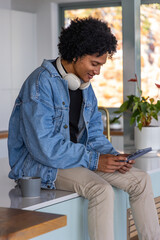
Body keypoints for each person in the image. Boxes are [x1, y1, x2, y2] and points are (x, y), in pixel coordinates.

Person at [8, 17, 160, 240]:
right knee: (101, 190)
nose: (97, 72)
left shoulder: (85, 87)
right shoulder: (40, 83)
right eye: (94, 64)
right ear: (75, 54)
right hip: (40, 165)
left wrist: (112, 157)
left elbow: (95, 135)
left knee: (141, 180)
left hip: (73, 159)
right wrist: (95, 161)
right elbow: (45, 148)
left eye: (100, 65)